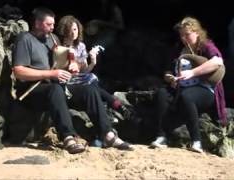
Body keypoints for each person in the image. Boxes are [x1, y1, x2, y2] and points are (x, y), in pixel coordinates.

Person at [12, 7, 134, 154]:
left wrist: (74, 64)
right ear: (37, 23)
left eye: (53, 24)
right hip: (32, 90)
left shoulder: (54, 40)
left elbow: (63, 61)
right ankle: (68, 137)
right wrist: (51, 74)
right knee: (55, 89)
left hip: (57, 88)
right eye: (49, 24)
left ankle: (107, 134)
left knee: (89, 89)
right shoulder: (25, 39)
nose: (52, 28)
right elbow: (19, 72)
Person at [150, 16, 227, 153]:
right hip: (181, 87)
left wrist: (192, 72)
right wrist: (169, 77)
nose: (184, 38)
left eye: (187, 34)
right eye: (181, 35)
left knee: (187, 96)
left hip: (204, 89)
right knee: (162, 93)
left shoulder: (206, 46)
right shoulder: (179, 49)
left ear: (197, 32)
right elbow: (168, 69)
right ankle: (161, 137)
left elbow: (217, 62)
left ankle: (196, 141)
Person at [55, 15, 133, 121]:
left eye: (75, 29)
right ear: (63, 31)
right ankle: (118, 107)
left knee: (92, 80)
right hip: (68, 81)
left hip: (82, 79)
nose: (73, 33)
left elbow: (85, 71)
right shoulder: (59, 46)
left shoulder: (81, 46)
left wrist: (93, 62)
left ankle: (113, 110)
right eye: (70, 30)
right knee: (95, 88)